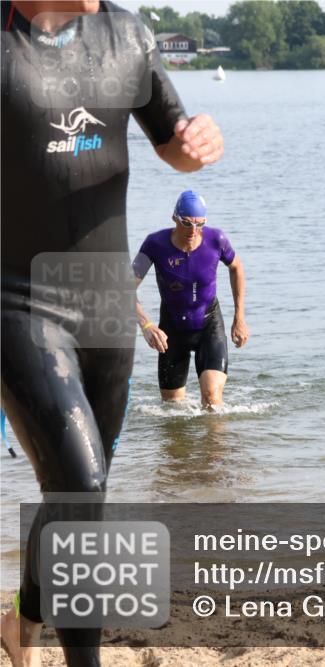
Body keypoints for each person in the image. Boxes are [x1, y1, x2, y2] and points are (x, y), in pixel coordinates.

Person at [1, 1, 223, 665]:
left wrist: (193, 148)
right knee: (79, 478)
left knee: (80, 492)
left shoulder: (127, 36)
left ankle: (21, 621)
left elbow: (172, 142)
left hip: (103, 306)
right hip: (15, 296)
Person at [133, 190, 248, 409]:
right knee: (171, 409)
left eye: (200, 223)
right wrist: (146, 325)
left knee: (211, 399)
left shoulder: (217, 240)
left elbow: (237, 268)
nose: (193, 230)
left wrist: (239, 317)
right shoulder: (155, 244)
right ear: (174, 218)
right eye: (187, 223)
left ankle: (215, 443)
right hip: (172, 330)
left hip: (209, 325)